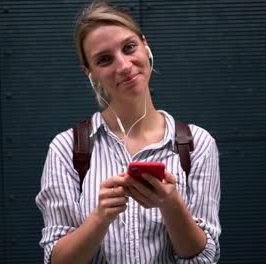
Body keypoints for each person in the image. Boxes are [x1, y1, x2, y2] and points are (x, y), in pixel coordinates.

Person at [35, 1, 221, 263]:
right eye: (104, 59)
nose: (123, 66)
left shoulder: (196, 144)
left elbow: (204, 258)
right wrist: (100, 218)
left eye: (129, 47)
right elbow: (56, 260)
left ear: (145, 46)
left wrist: (172, 205)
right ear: (90, 73)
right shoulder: (66, 148)